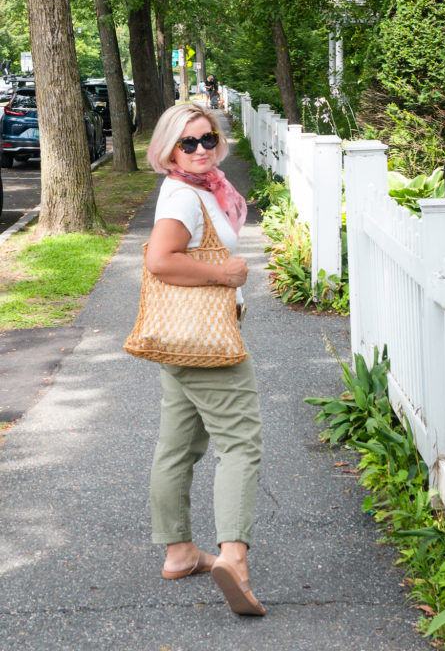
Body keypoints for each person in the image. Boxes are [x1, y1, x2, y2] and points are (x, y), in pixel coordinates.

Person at [144, 104, 265, 616]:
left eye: (207, 138)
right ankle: (234, 559)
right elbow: (160, 259)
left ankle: (180, 552)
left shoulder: (202, 188)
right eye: (187, 143)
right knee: (241, 444)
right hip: (207, 342)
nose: (200, 149)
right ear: (168, 149)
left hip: (181, 340)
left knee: (179, 444)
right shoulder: (183, 198)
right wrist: (224, 275)